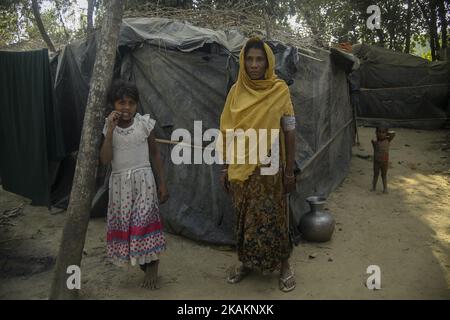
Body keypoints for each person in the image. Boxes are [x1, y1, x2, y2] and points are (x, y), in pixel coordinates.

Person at [219, 37, 297, 292]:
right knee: (243, 217)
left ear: (268, 62)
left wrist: (289, 170)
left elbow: (289, 130)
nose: (254, 64)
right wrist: (225, 166)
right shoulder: (235, 91)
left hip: (270, 165)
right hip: (240, 166)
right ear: (243, 61)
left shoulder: (279, 89)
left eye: (259, 59)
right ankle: (246, 263)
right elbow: (226, 131)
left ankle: (284, 266)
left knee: (274, 216)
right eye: (249, 59)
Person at [100, 80, 169, 289]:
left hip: (144, 182)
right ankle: (145, 263)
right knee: (128, 229)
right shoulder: (108, 127)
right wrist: (110, 131)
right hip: (120, 186)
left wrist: (162, 183)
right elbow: (105, 160)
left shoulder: (143, 124)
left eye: (131, 103)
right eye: (121, 103)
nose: (126, 108)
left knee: (144, 222)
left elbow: (155, 154)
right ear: (113, 105)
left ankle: (153, 263)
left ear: (136, 105)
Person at [371, 127, 395, 194]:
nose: (381, 134)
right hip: (376, 162)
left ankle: (385, 188)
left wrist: (387, 133)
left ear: (386, 133)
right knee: (375, 174)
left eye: (383, 132)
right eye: (379, 132)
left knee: (384, 175)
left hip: (385, 162)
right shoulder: (375, 142)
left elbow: (393, 133)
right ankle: (373, 187)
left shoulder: (388, 140)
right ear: (376, 133)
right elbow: (375, 147)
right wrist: (376, 138)